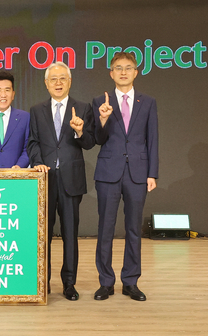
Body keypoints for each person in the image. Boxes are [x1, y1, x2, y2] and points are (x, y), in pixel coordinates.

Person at [92, 52, 158, 301]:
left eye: (128, 67)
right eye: (118, 68)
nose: (123, 72)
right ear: (111, 73)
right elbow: (97, 139)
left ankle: (130, 282)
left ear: (136, 71)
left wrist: (152, 173)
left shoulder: (148, 101)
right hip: (109, 172)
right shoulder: (100, 100)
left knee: (133, 229)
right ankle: (106, 282)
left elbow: (153, 139)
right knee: (105, 229)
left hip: (137, 173)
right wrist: (103, 119)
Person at [27, 62, 95, 300]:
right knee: (42, 234)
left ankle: (69, 284)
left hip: (71, 180)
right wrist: (37, 163)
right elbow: (32, 142)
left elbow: (89, 143)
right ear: (46, 84)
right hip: (45, 180)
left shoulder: (83, 108)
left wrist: (79, 131)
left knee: (70, 234)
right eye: (53, 79)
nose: (58, 83)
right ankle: (41, 282)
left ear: (70, 81)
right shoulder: (36, 110)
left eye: (62, 79)